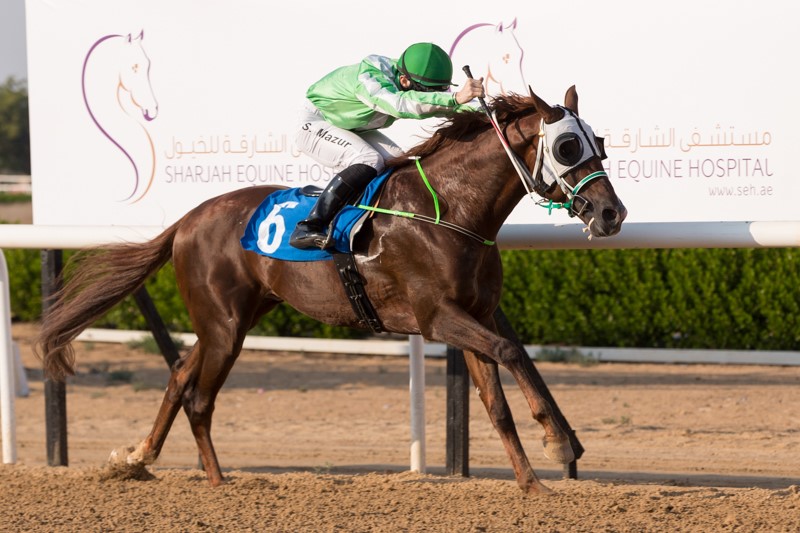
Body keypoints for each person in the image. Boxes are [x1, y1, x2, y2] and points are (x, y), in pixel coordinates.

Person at [290, 42, 485, 249]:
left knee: (400, 162)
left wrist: (489, 110)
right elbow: (400, 104)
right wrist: (455, 98)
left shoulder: (407, 77)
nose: (430, 96)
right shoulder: (370, 77)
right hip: (315, 123)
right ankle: (308, 226)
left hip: (349, 126)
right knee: (369, 160)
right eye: (427, 92)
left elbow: (445, 105)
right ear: (404, 81)